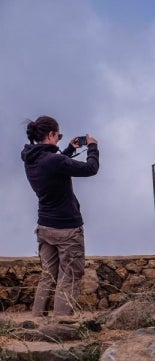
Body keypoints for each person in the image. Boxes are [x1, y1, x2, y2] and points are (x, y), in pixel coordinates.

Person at [22, 115, 100, 318]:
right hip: (66, 228)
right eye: (58, 136)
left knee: (48, 276)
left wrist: (69, 150)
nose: (58, 139)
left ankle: (37, 320)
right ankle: (61, 322)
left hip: (44, 227)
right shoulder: (55, 160)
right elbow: (91, 169)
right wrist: (92, 147)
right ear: (50, 134)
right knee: (70, 274)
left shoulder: (31, 159)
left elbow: (55, 166)